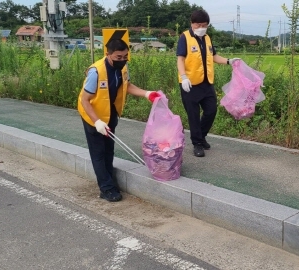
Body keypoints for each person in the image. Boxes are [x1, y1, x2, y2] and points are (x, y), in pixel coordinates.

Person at [77, 39, 161, 202]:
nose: (122, 60)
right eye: (118, 57)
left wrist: (147, 93)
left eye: (125, 57)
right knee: (99, 152)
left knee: (109, 150)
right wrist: (97, 122)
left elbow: (126, 86)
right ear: (108, 54)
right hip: (93, 116)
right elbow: (85, 100)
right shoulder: (96, 71)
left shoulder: (122, 67)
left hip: (111, 114)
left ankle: (109, 179)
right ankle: (106, 188)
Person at [176, 9, 240, 157]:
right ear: (192, 24)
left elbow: (214, 56)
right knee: (193, 114)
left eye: (204, 25)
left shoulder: (207, 38)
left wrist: (229, 61)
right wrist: (184, 77)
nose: (201, 28)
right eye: (198, 25)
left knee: (211, 111)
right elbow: (180, 59)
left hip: (206, 83)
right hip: (189, 84)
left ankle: (201, 136)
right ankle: (197, 143)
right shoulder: (184, 37)